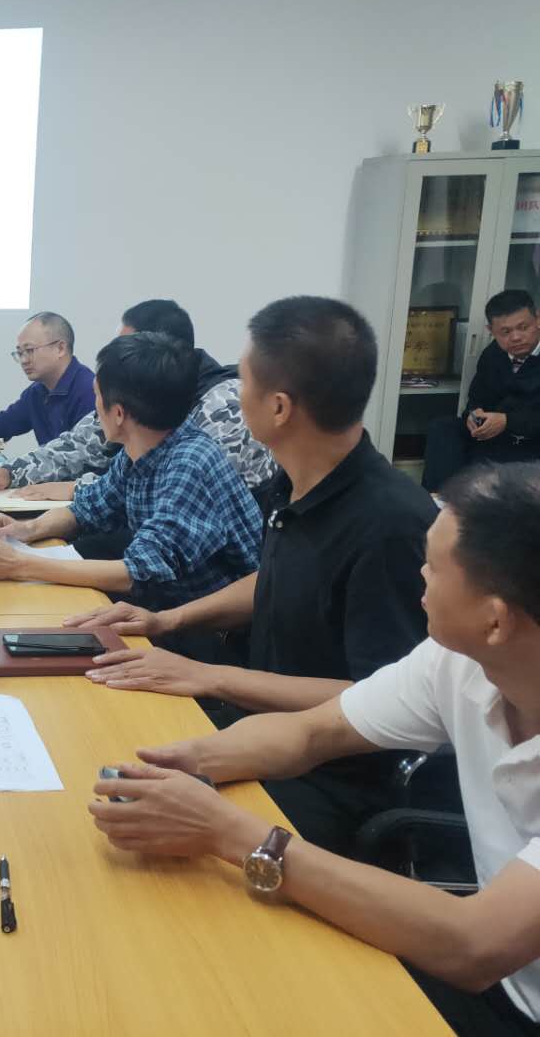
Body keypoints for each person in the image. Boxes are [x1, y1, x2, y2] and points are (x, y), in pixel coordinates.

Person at [88, 463, 540, 1037]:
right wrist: (179, 761)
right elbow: (310, 734)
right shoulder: (456, 661)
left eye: (433, 566)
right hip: (496, 979)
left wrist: (229, 832)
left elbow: (473, 945)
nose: (419, 575)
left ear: (494, 621)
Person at [68, 298, 438, 854]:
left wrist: (209, 677)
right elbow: (275, 580)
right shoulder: (298, 485)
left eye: (243, 382)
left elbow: (381, 696)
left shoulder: (387, 524)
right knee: (101, 742)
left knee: (127, 839)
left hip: (333, 779)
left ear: (280, 408)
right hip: (261, 729)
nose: (232, 398)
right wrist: (167, 621)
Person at [0, 332, 261, 611]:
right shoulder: (142, 447)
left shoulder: (189, 463)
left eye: (97, 397)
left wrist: (19, 564)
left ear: (117, 414)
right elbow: (88, 507)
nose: (95, 409)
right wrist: (27, 530)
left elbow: (138, 573)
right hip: (171, 607)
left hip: (215, 628)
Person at [0, 300, 274, 501]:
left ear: (156, 353)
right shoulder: (134, 389)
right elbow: (81, 443)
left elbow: (176, 494)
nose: (115, 360)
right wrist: (10, 472)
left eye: (125, 350)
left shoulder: (224, 406)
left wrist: (75, 489)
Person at [424, 289, 540, 491]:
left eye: (523, 327)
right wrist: (473, 415)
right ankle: (439, 500)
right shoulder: (493, 354)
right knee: (443, 428)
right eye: (505, 332)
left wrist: (508, 422)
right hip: (496, 437)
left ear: (538, 320)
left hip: (532, 440)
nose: (516, 337)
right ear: (491, 330)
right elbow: (476, 399)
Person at [0, 311, 96, 446]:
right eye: (20, 353)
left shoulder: (90, 391)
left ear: (60, 348)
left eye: (29, 350)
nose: (23, 360)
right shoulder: (37, 391)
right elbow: (5, 423)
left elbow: (78, 457)